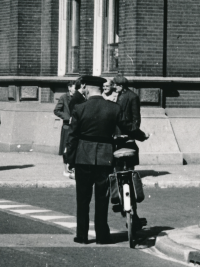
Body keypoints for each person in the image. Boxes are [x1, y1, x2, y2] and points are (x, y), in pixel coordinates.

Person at [63, 75, 130, 244]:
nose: (82, 89)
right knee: (102, 198)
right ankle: (102, 236)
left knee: (82, 199)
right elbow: (128, 127)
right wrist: (142, 136)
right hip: (104, 157)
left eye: (84, 86)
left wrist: (69, 160)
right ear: (100, 88)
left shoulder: (80, 108)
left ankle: (82, 236)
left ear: (89, 88)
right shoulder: (113, 108)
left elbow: (72, 137)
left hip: (83, 157)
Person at [109, 74, 146, 169]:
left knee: (129, 157)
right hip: (118, 131)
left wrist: (133, 131)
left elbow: (136, 118)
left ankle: (129, 175)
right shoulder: (121, 95)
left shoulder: (132, 97)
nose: (114, 87)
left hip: (127, 132)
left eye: (115, 85)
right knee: (118, 157)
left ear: (121, 86)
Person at [54, 78, 85, 159]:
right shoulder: (64, 97)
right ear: (69, 87)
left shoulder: (80, 97)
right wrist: (68, 117)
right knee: (66, 148)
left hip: (77, 126)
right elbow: (56, 110)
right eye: (75, 87)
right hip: (67, 126)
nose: (77, 89)